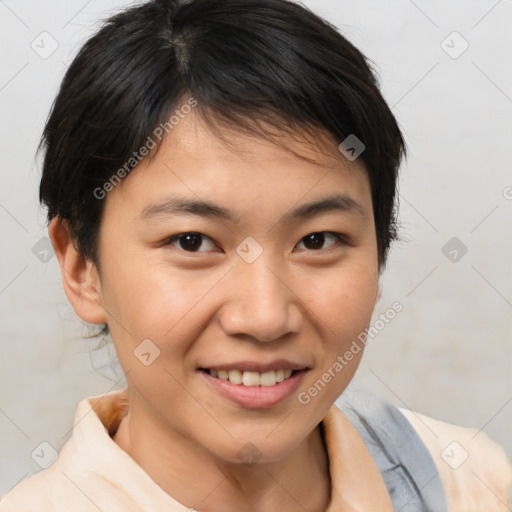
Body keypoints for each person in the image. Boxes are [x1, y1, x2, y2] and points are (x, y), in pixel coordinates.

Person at [1, 0, 510, 510]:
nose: (265, 317)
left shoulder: (468, 484)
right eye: (192, 242)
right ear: (82, 269)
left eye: (317, 240)